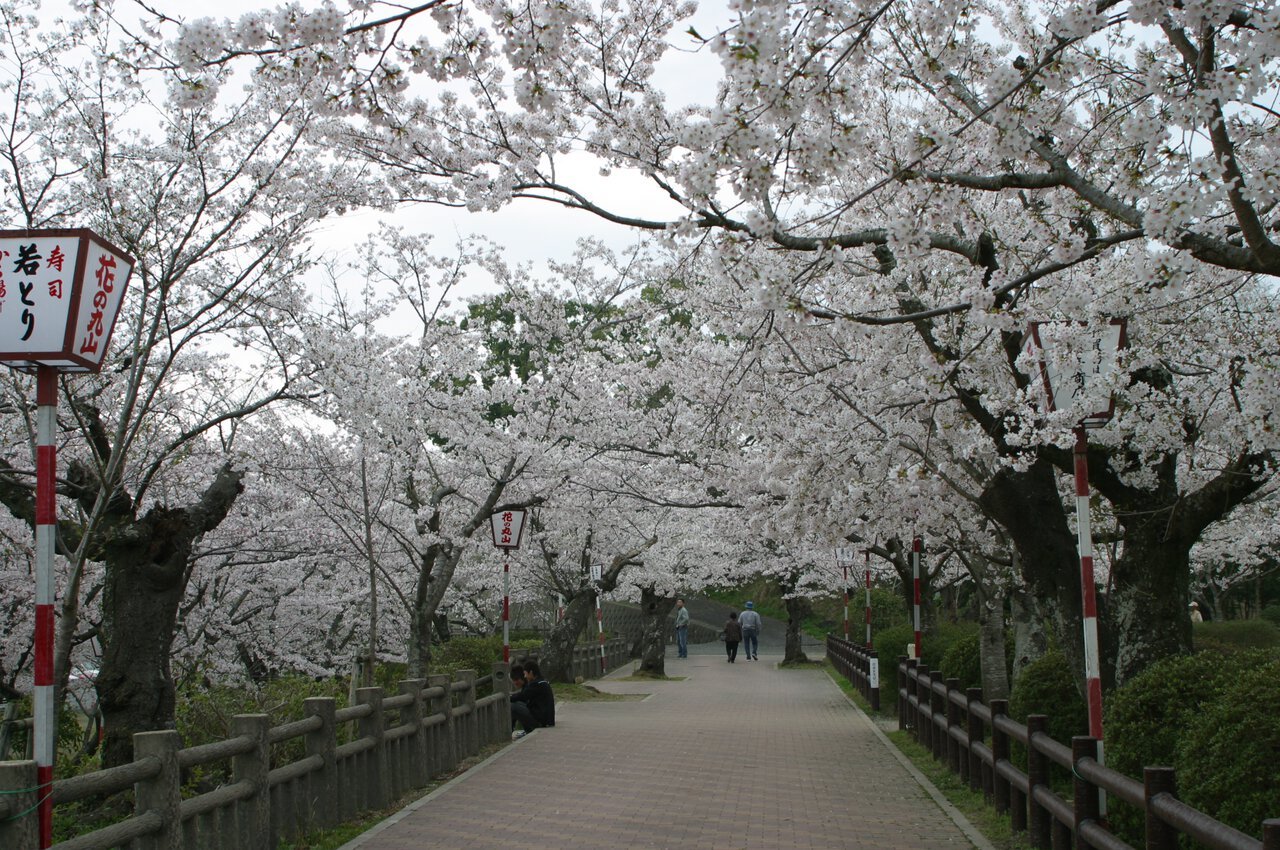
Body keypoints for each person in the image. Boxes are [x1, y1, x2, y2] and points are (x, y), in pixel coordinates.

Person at [510, 659, 555, 736]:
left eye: (525, 674)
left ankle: (526, 731)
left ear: (531, 672)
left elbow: (522, 696)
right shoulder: (542, 682)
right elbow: (523, 695)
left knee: (513, 707)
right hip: (546, 720)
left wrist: (508, 698)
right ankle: (524, 730)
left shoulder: (536, 684)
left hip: (542, 721)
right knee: (518, 704)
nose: (525, 676)